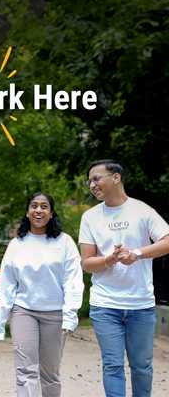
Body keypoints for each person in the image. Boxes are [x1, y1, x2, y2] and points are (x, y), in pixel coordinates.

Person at [79, 159, 169, 397]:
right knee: (113, 365)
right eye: (89, 181)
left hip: (140, 304)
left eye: (96, 178)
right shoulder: (90, 217)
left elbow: (167, 241)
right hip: (105, 305)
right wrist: (109, 260)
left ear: (116, 177)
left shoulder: (142, 210)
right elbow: (87, 263)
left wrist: (137, 254)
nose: (92, 185)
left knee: (142, 367)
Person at [0, 192, 84, 397]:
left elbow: (73, 280)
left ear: (51, 213)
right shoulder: (17, 244)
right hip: (24, 312)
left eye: (44, 206)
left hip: (55, 314)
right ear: (27, 212)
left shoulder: (64, 242)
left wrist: (70, 315)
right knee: (25, 370)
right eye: (34, 206)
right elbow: (6, 285)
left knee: (50, 374)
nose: (38, 210)